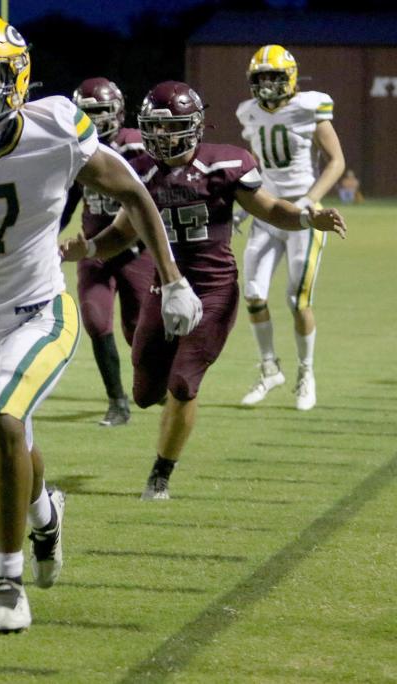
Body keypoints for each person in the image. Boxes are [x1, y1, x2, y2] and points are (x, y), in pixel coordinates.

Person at [0, 16, 202, 633]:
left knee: (7, 421)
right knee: (10, 448)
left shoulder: (57, 127)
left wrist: (172, 278)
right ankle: (45, 515)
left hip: (40, 309)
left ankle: (6, 580)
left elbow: (135, 192)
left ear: (17, 76)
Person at [61, 81, 346, 502]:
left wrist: (307, 219)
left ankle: (161, 473)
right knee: (144, 393)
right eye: (155, 130)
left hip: (213, 288)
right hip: (163, 285)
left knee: (182, 383)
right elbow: (121, 233)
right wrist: (88, 247)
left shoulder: (226, 163)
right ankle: (162, 420)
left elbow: (270, 209)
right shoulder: (138, 168)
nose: (163, 138)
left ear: (194, 126)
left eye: (173, 127)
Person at [236, 45, 346, 410]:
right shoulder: (248, 112)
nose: (267, 84)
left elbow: (336, 161)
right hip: (268, 212)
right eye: (261, 77)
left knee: (297, 300)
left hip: (303, 213)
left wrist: (310, 200)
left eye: (274, 77)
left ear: (291, 77)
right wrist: (243, 203)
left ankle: (306, 372)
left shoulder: (309, 106)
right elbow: (253, 165)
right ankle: (269, 368)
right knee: (252, 293)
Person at [61, 77, 152, 426]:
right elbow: (66, 202)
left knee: (137, 330)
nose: (95, 120)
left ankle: (153, 384)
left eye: (100, 112)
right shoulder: (74, 150)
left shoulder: (138, 147)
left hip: (136, 250)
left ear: (117, 111)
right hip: (93, 252)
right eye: (87, 113)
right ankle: (117, 402)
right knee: (96, 321)